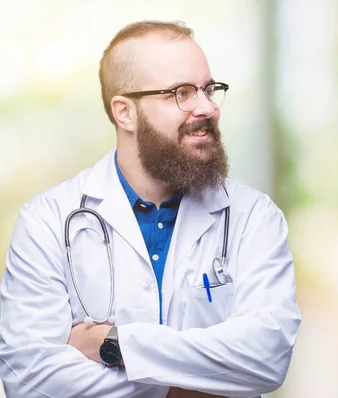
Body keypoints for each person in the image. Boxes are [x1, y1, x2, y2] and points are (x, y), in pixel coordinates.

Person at [0, 20, 301, 398]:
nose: (207, 107)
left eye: (209, 90)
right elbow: (29, 381)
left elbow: (267, 357)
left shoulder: (253, 216)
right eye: (182, 93)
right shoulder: (46, 221)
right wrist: (182, 391)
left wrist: (115, 344)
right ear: (124, 112)